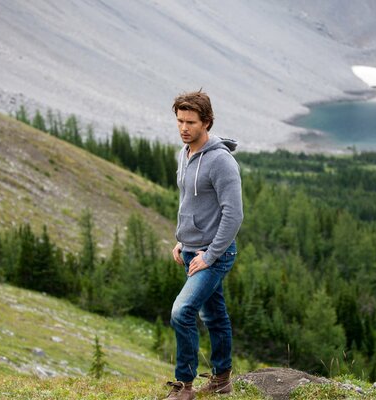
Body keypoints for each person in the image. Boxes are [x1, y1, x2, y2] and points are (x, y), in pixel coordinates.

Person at [165, 90, 243, 400]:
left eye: (190, 122)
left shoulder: (220, 161)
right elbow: (189, 202)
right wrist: (180, 239)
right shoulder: (183, 154)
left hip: (214, 253)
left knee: (181, 312)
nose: (183, 128)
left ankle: (185, 386)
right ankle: (222, 379)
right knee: (214, 315)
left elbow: (234, 214)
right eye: (179, 121)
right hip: (190, 248)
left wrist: (210, 256)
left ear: (207, 122)